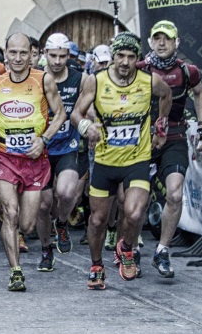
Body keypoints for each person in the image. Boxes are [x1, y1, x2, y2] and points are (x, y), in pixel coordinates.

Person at [71, 31, 172, 290]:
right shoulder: (96, 81)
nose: (125, 62)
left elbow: (167, 95)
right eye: (120, 56)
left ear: (138, 58)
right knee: (98, 220)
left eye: (131, 56)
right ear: (113, 56)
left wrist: (161, 127)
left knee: (135, 212)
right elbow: (76, 114)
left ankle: (126, 248)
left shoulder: (150, 80)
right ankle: (96, 266)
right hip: (105, 161)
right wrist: (86, 127)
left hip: (137, 158)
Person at [0, 33, 67, 292]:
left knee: (27, 225)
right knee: (10, 212)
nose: (18, 58)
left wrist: (44, 140)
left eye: (23, 53)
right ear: (6, 54)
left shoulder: (43, 79)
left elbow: (61, 114)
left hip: (34, 159)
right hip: (5, 157)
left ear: (32, 54)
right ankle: (15, 271)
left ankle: (18, 232)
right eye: (13, 52)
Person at [139, 20, 202, 277]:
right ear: (150, 42)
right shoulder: (140, 69)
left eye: (167, 38)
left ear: (176, 42)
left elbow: (200, 94)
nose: (161, 43)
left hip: (175, 137)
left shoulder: (188, 71)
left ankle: (162, 251)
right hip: (144, 140)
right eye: (157, 38)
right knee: (133, 199)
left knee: (175, 194)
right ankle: (129, 246)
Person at [35, 33, 87, 270]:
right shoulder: (36, 77)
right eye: (53, 55)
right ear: (45, 54)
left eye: (62, 56)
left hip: (67, 146)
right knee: (43, 205)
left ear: (69, 56)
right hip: (41, 149)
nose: (57, 61)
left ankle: (62, 223)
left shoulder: (80, 78)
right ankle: (46, 249)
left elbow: (88, 107)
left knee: (66, 194)